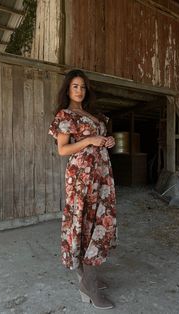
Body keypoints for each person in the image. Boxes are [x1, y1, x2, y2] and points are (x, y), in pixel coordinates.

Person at [48, 69, 117, 309]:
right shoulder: (65, 115)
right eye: (75, 86)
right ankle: (88, 283)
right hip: (81, 176)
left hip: (101, 175)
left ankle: (88, 277)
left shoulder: (92, 114)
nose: (79, 90)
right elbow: (63, 150)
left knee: (100, 220)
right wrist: (89, 140)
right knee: (86, 222)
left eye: (83, 87)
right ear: (67, 88)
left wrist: (108, 141)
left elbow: (101, 139)